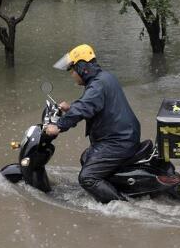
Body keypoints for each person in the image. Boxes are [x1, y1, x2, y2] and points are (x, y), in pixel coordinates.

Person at [45, 44, 141, 203]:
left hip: (118, 141)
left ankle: (120, 206)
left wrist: (58, 126)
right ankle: (111, 189)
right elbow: (89, 104)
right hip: (124, 136)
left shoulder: (97, 85)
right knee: (86, 158)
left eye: (72, 70)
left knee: (87, 178)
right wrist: (71, 107)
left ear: (82, 67)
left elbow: (85, 106)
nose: (72, 75)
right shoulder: (103, 78)